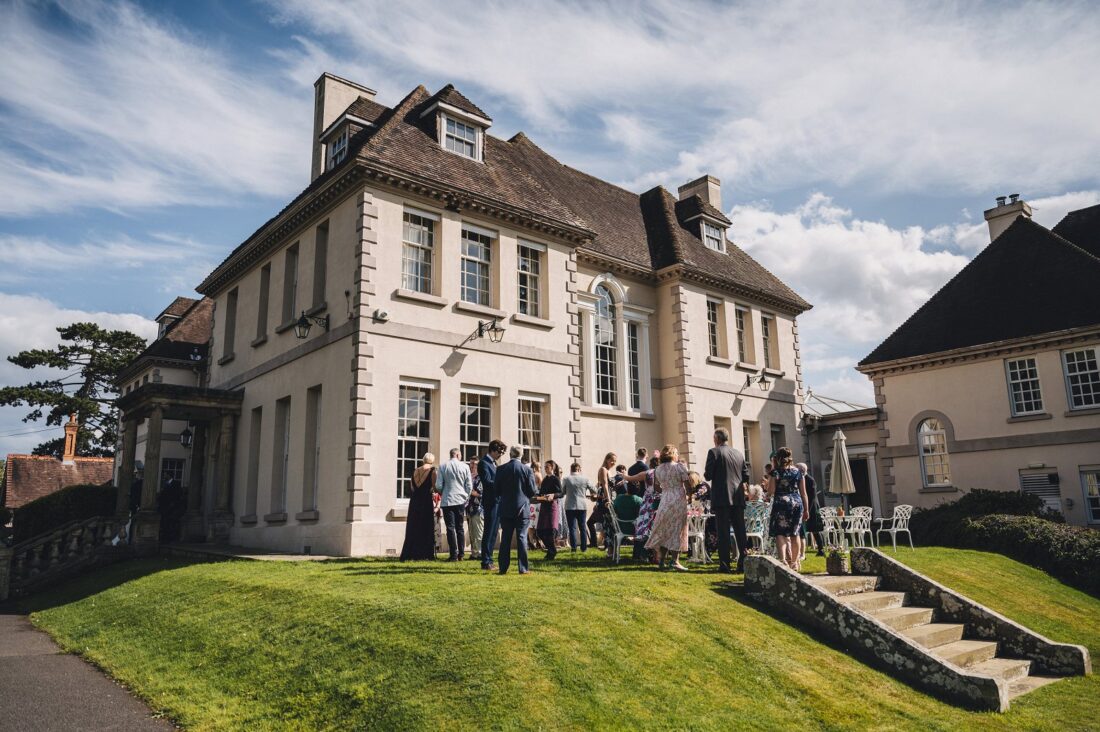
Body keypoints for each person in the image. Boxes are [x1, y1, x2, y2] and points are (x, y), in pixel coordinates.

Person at [704, 427, 751, 574]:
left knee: (723, 532)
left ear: (717, 439)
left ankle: (725, 564)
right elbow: (746, 476)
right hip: (737, 497)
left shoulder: (714, 452)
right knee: (740, 532)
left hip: (722, 496)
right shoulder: (738, 453)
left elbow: (708, 475)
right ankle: (743, 562)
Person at [645, 445, 692, 571]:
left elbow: (656, 487)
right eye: (676, 452)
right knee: (677, 529)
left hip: (665, 500)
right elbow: (688, 485)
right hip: (678, 500)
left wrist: (667, 489)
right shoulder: (679, 467)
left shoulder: (658, 469)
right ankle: (674, 561)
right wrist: (690, 496)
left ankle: (661, 561)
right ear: (673, 454)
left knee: (665, 530)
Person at [496, 445, 538, 575]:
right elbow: (532, 491)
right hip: (522, 507)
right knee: (521, 537)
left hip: (506, 507)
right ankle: (523, 568)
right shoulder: (527, 470)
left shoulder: (501, 469)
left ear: (510, 454)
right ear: (521, 455)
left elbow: (496, 490)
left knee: (506, 538)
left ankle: (503, 567)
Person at [766, 447, 810, 571]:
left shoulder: (776, 472)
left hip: (781, 504)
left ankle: (783, 560)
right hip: (796, 503)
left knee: (780, 533)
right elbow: (804, 493)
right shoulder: (798, 472)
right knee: (795, 533)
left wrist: (771, 478)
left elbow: (771, 491)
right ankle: (795, 562)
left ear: (778, 458)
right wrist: (806, 510)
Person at [435, 448, 472, 561]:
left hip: (447, 500)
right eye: (460, 454)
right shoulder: (465, 466)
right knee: (460, 527)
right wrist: (466, 496)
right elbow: (469, 485)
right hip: (460, 500)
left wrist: (443, 492)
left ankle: (453, 554)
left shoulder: (443, 466)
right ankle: (461, 553)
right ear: (457, 454)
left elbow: (438, 485)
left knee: (450, 528)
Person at [400, 453, 437, 561]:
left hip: (415, 501)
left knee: (413, 526)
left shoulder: (415, 470)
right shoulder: (432, 470)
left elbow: (412, 487)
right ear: (432, 460)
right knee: (426, 526)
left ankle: (410, 553)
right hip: (426, 500)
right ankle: (425, 554)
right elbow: (434, 487)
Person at [479, 440, 506, 570]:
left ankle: (489, 558)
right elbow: (487, 482)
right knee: (489, 532)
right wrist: (501, 485)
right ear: (493, 450)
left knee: (494, 532)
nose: (501, 455)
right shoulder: (484, 463)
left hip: (497, 500)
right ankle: (485, 561)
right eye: (500, 452)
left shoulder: (493, 463)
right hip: (490, 501)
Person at [562, 463, 594, 552]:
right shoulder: (585, 479)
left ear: (571, 469)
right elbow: (594, 489)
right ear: (579, 469)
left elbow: (562, 492)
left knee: (572, 527)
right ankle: (584, 548)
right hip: (582, 505)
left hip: (570, 506)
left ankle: (573, 547)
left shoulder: (566, 479)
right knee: (582, 527)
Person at [588, 452, 616, 548]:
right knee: (605, 523)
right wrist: (608, 499)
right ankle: (605, 545)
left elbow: (605, 486)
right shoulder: (603, 470)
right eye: (612, 460)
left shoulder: (607, 470)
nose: (613, 463)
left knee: (606, 524)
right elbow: (604, 485)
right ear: (607, 459)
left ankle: (606, 546)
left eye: (615, 461)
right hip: (605, 501)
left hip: (606, 500)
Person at [535, 460, 563, 560]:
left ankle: (551, 552)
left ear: (552, 468)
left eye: (547, 467)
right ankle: (552, 549)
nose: (545, 468)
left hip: (552, 507)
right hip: (543, 506)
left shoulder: (555, 479)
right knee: (540, 531)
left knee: (550, 531)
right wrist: (536, 496)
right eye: (545, 467)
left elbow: (560, 493)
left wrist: (553, 495)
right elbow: (541, 493)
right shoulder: (545, 480)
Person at [797, 462, 825, 556]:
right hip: (804, 506)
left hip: (811, 507)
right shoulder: (799, 479)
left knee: (815, 529)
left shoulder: (810, 480)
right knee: (804, 529)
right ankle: (802, 551)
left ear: (801, 470)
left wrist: (807, 509)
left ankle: (821, 549)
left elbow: (812, 496)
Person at [466, 456, 484, 561]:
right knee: (472, 532)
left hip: (478, 508)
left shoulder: (480, 477)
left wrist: (467, 490)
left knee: (478, 532)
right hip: (469, 508)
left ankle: (479, 553)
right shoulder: (469, 477)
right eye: (471, 463)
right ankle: (474, 553)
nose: (472, 466)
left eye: (475, 464)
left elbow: (479, 493)